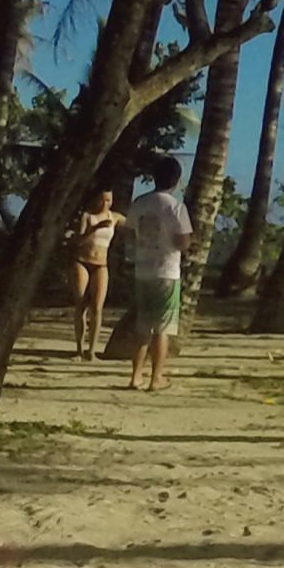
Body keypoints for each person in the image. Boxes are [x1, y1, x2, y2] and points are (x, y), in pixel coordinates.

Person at [117, 155, 194, 392]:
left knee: (143, 326)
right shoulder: (176, 207)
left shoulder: (139, 203)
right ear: (176, 180)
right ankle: (156, 377)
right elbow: (183, 242)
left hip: (143, 270)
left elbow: (130, 234)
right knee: (163, 328)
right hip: (166, 271)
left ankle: (135, 376)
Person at [67, 189, 120, 359]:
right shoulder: (88, 216)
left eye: (109, 200)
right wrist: (94, 228)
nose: (105, 204)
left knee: (97, 307)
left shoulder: (114, 217)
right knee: (81, 304)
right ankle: (79, 349)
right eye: (102, 200)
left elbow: (134, 224)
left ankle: (92, 350)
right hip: (83, 261)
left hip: (101, 264)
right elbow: (78, 240)